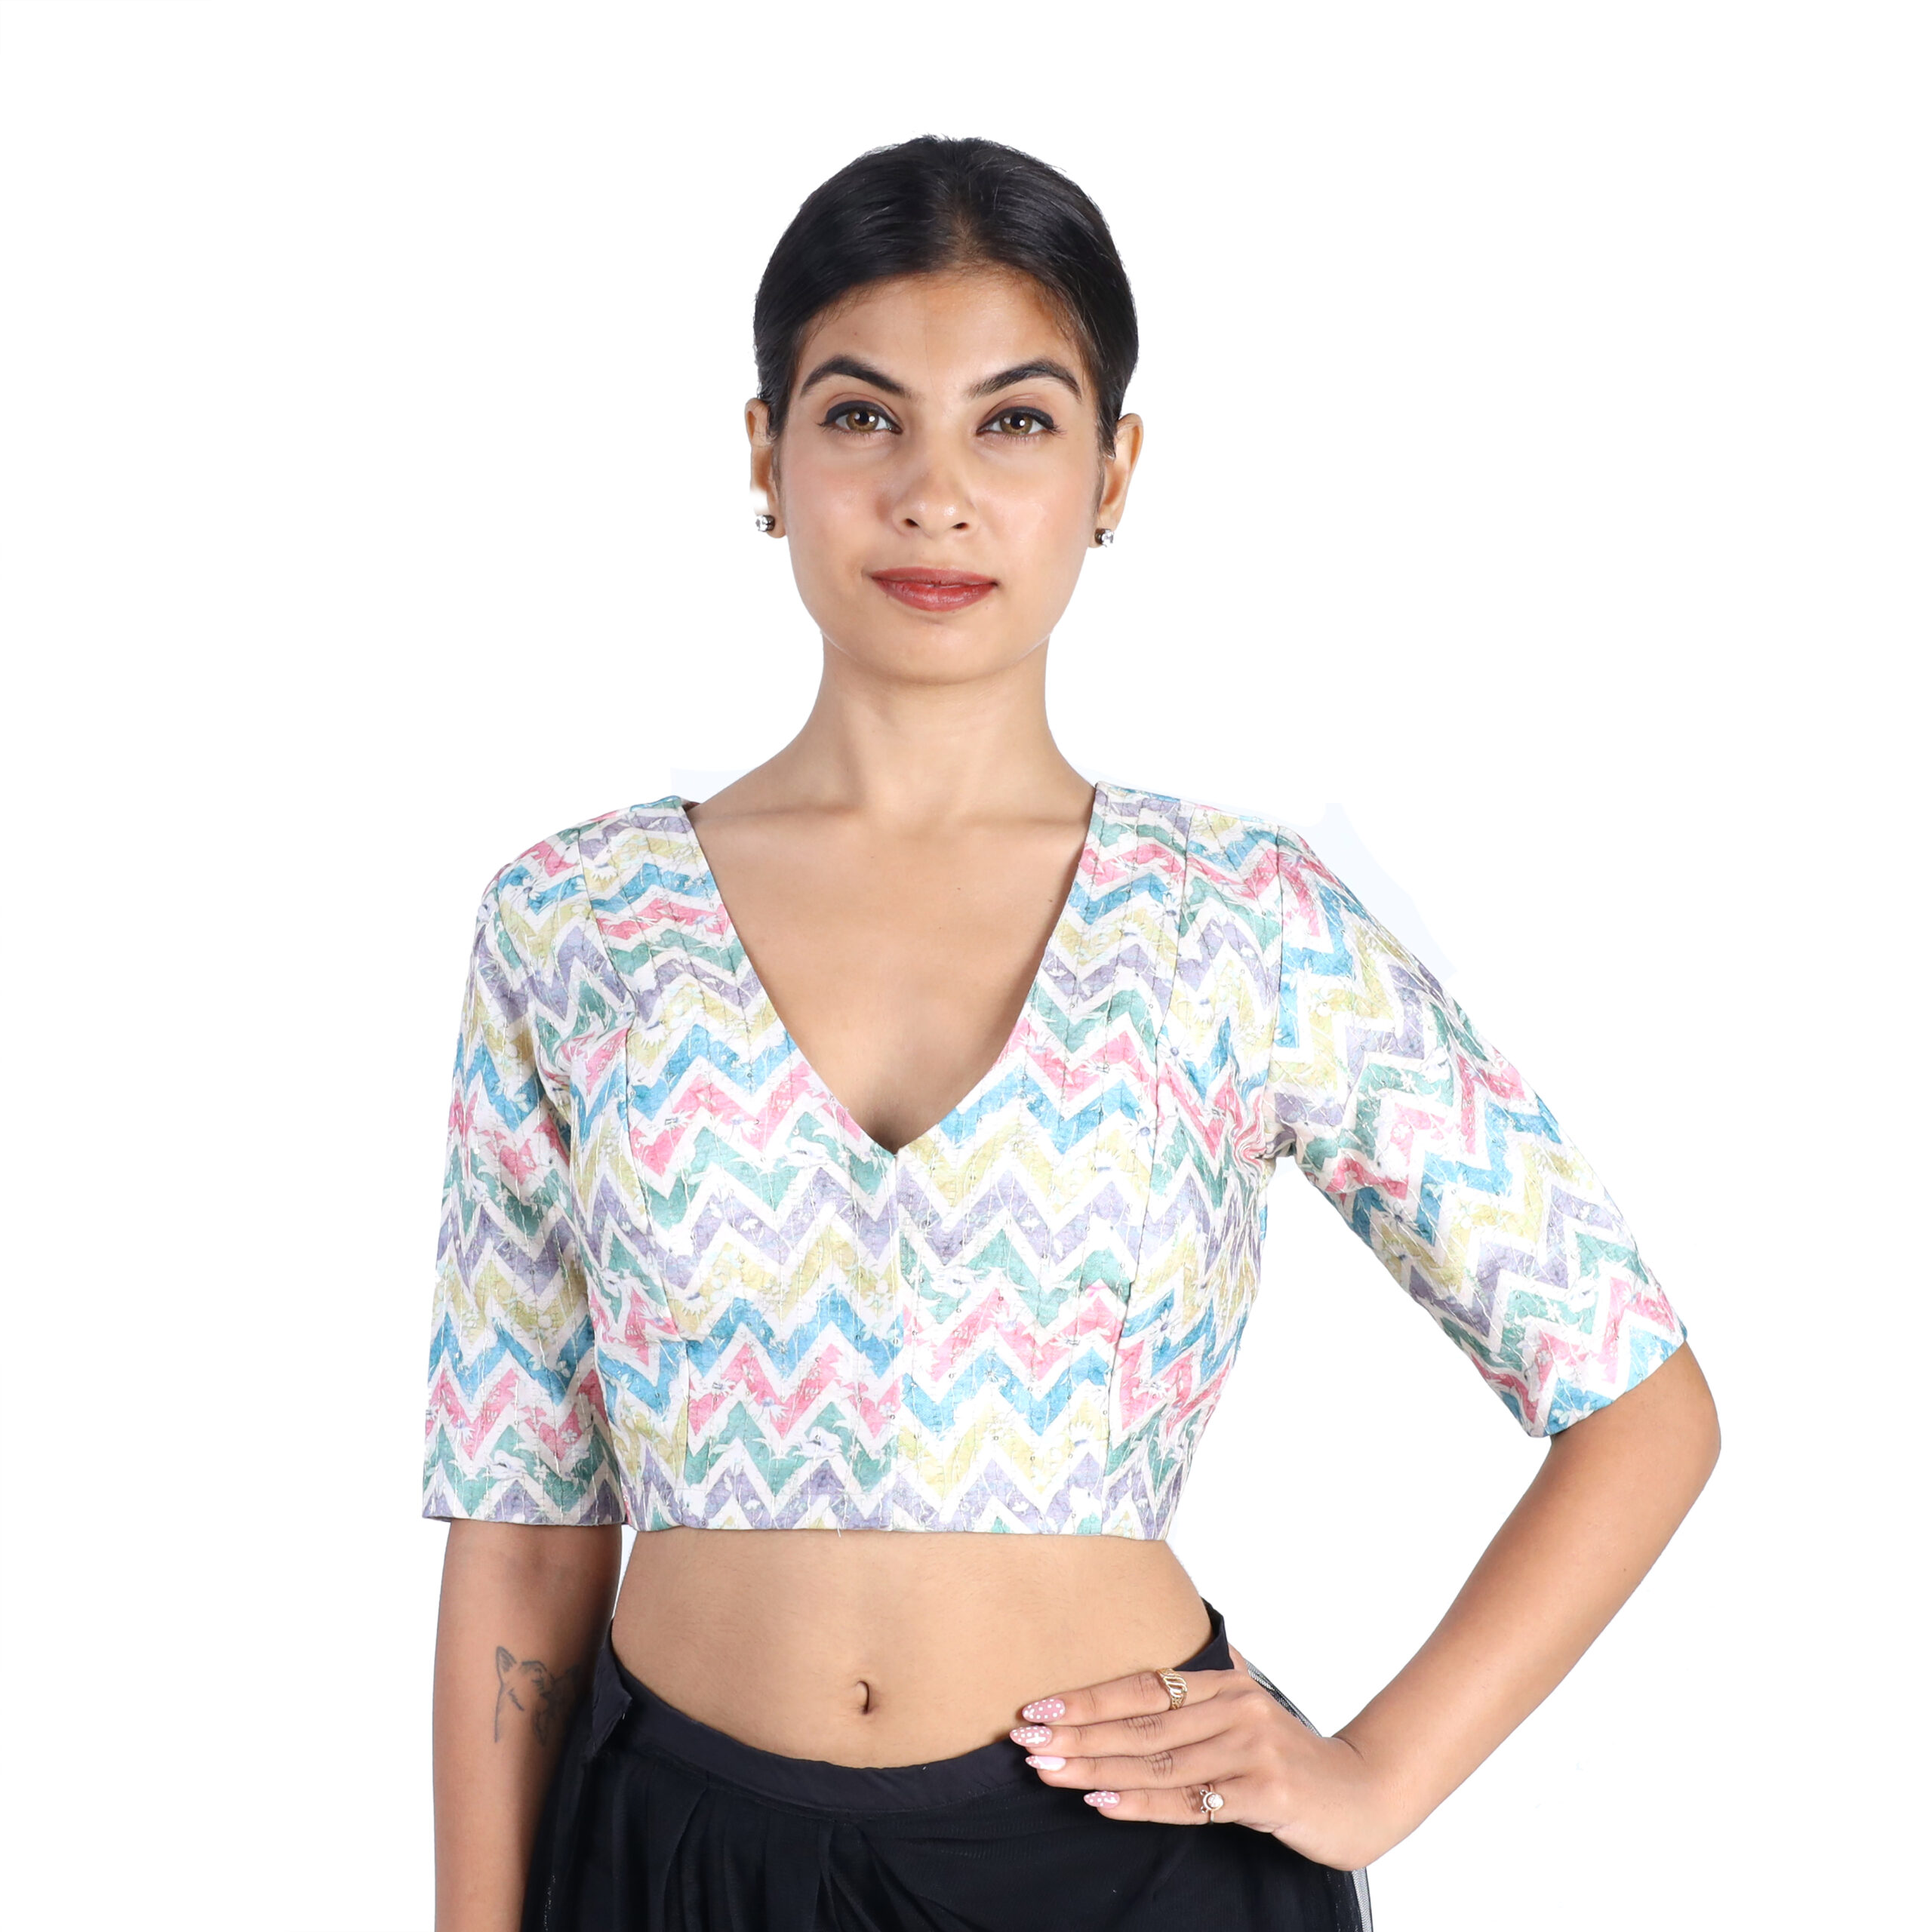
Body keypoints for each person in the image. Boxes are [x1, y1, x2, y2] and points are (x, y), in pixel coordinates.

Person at [421, 134, 1721, 1932]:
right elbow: (521, 1525)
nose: (933, 495)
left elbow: (1639, 1406)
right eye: (862, 416)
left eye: (1014, 422)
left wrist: (1374, 1773)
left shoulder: (1239, 920)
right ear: (765, 454)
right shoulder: (575, 922)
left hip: (1127, 1865)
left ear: (1111, 472)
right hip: (679, 1857)